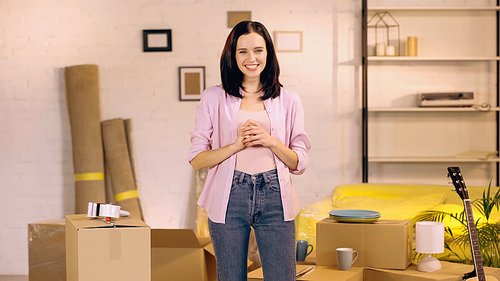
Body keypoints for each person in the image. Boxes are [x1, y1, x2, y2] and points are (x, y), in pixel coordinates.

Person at [188, 21, 311, 281]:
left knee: (282, 277)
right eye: (242, 51)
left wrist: (270, 141)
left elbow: (299, 163)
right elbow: (197, 159)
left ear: (268, 53)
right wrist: (236, 144)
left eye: (258, 50)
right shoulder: (213, 97)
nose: (251, 58)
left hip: (276, 195)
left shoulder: (289, 100)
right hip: (229, 195)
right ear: (232, 56)